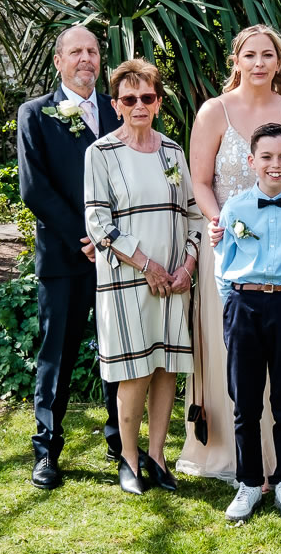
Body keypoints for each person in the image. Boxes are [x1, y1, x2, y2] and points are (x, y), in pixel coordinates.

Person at [176, 24, 281, 491]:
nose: (259, 63)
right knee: (234, 360)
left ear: (279, 62)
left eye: (268, 55)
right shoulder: (213, 111)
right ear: (236, 61)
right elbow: (200, 181)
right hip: (230, 253)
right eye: (250, 55)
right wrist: (219, 221)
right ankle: (237, 462)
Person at [83, 58, 201, 494]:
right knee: (135, 371)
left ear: (158, 102)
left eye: (146, 97)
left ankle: (157, 457)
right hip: (128, 280)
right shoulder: (100, 153)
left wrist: (187, 267)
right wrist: (147, 265)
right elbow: (98, 222)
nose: (138, 105)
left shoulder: (173, 151)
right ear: (115, 105)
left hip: (173, 281)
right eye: (129, 98)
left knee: (167, 368)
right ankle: (129, 460)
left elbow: (194, 214)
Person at [18, 26, 123, 489]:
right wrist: (87, 235)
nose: (86, 58)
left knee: (118, 349)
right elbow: (34, 188)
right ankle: (46, 450)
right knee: (56, 354)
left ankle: (122, 443)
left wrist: (113, 239)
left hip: (117, 255)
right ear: (59, 61)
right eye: (76, 51)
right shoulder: (35, 114)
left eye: (93, 51)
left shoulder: (119, 109)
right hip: (64, 255)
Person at [215, 123, 281, 522]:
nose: (275, 164)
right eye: (266, 157)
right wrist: (234, 306)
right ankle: (248, 482)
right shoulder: (235, 209)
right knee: (245, 402)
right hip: (244, 306)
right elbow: (223, 265)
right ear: (251, 161)